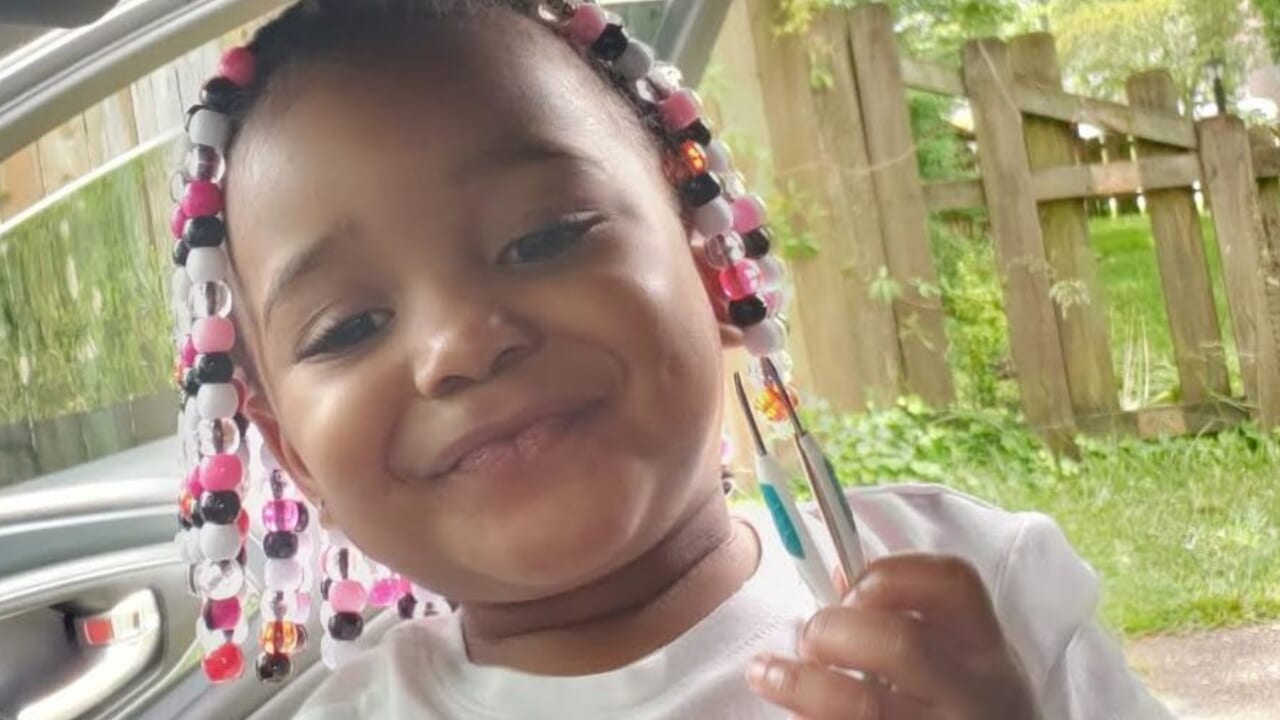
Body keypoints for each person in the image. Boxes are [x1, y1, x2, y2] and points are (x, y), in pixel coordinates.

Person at [166, 1, 1175, 717]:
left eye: (544, 237)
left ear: (710, 263)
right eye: (346, 328)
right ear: (294, 455)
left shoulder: (966, 587)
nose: (459, 344)